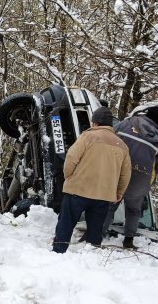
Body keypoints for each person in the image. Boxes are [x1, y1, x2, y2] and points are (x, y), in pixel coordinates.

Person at [52, 106, 131, 254]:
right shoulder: (122, 145)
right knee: (96, 228)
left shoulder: (87, 137)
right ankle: (92, 255)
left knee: (67, 222)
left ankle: (59, 250)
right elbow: (125, 173)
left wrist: (68, 177)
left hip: (78, 190)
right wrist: (119, 192)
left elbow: (71, 158)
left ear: (94, 123)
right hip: (103, 195)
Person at [101, 106, 158, 249]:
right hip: (141, 179)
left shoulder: (127, 123)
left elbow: (110, 137)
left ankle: (98, 234)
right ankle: (128, 240)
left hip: (118, 170)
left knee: (110, 205)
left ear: (147, 114)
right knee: (134, 210)